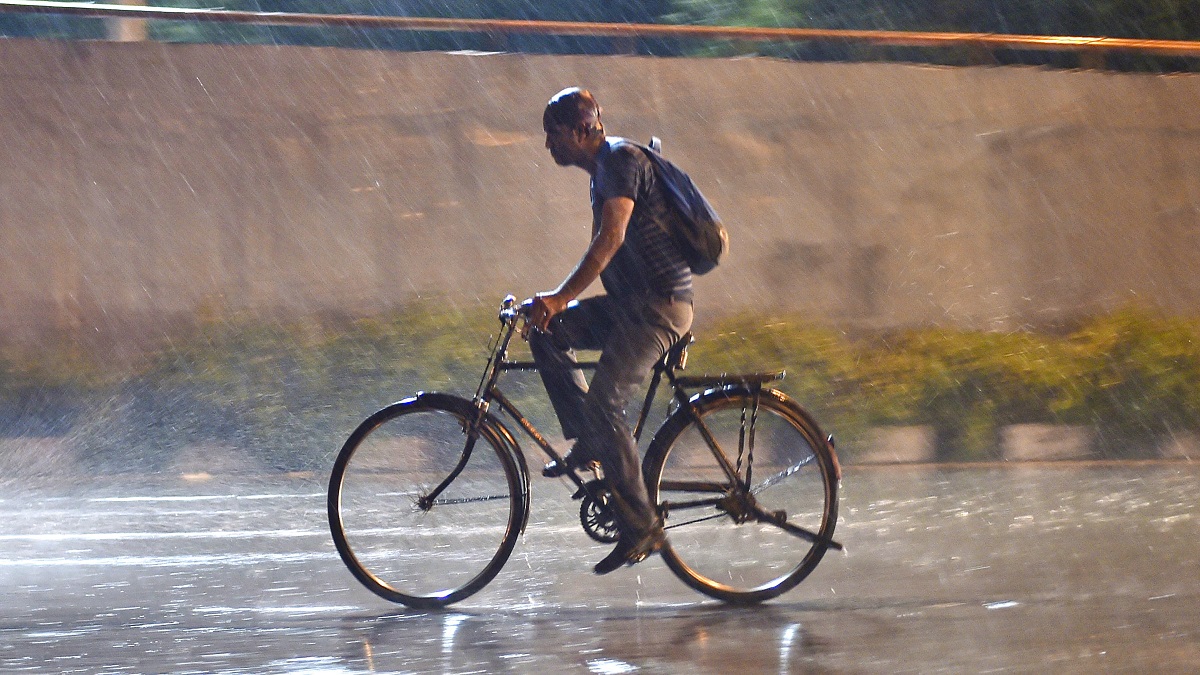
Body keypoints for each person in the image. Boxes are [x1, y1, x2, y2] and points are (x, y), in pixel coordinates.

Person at [526, 87, 695, 575]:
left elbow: (611, 237)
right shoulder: (603, 170)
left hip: (658, 308)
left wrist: (559, 295)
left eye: (552, 134)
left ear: (582, 129)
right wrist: (554, 309)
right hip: (630, 306)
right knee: (548, 331)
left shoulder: (619, 160)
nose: (548, 145)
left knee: (606, 403)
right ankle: (592, 441)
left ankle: (642, 528)